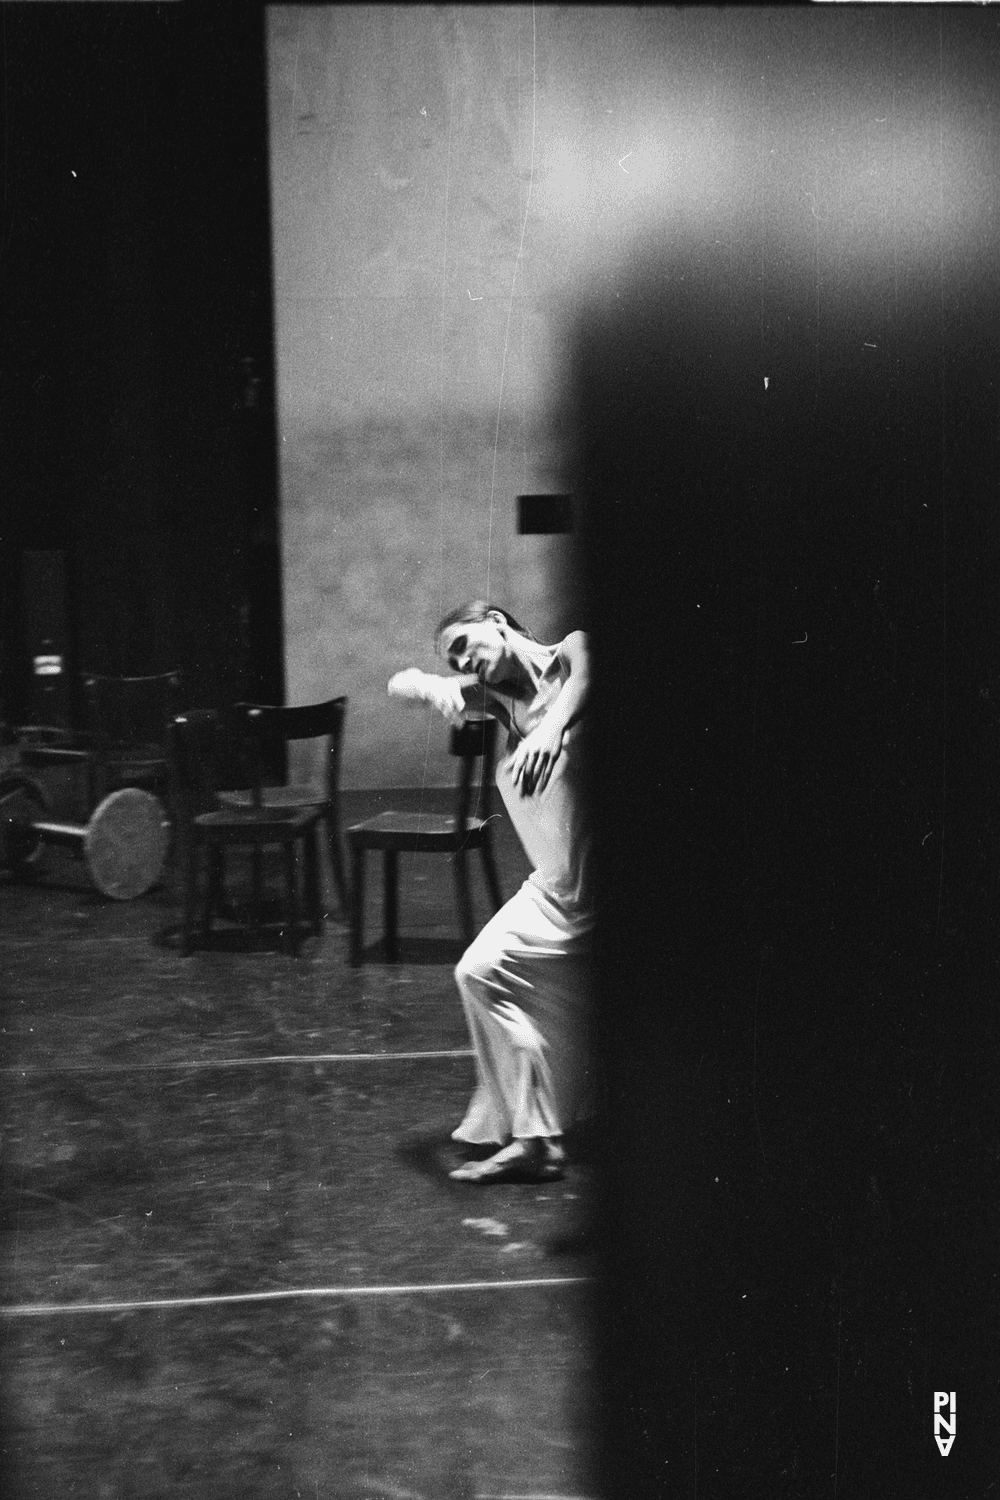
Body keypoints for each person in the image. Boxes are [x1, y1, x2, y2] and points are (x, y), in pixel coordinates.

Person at [388, 602, 593, 1183]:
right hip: (554, 891)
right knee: (476, 971)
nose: (462, 659)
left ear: (497, 622)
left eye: (464, 642)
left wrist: (550, 732)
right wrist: (429, 685)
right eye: (453, 656)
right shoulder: (493, 700)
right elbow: (403, 687)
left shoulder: (570, 654)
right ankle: (538, 1140)